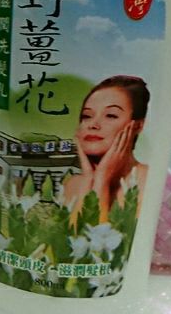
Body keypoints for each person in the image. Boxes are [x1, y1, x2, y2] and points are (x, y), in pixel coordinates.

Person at [64, 75, 149, 224]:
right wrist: (92, 179)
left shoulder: (150, 182)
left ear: (138, 126)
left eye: (110, 115)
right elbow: (77, 238)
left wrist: (102, 179)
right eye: (87, 116)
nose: (93, 124)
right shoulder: (73, 185)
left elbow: (97, 237)